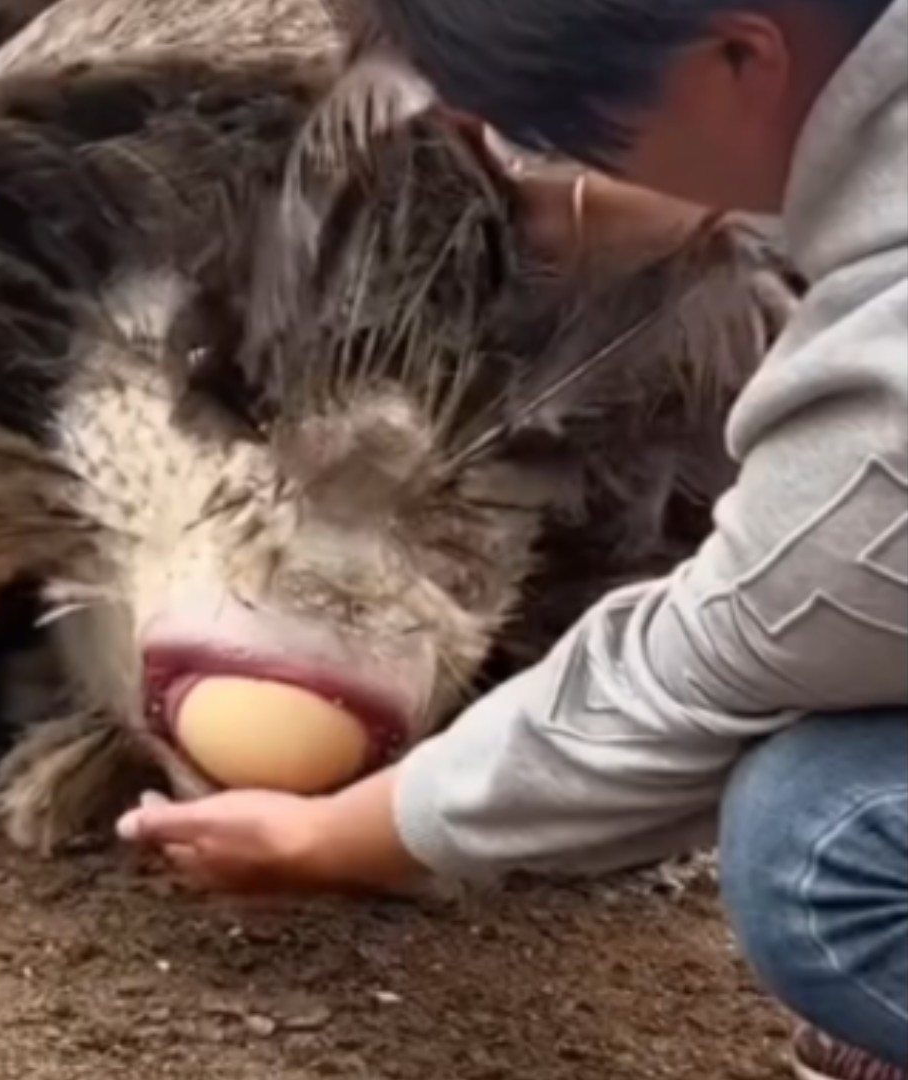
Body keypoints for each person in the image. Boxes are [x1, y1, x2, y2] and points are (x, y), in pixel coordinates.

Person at [116, 1, 908, 1077]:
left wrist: (336, 836)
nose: (544, 169)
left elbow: (710, 668)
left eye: (560, 130)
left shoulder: (880, 422)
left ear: (738, 52)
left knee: (821, 847)